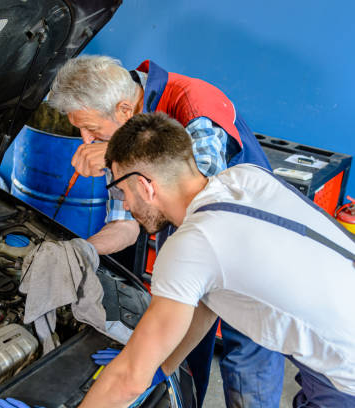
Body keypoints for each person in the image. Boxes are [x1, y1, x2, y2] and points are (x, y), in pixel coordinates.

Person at [77, 112, 355, 408]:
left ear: (146, 187)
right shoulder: (246, 176)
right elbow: (207, 302)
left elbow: (129, 380)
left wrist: (136, 371)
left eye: (122, 191)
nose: (127, 204)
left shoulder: (192, 245)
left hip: (345, 377)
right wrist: (160, 365)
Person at [46, 55, 280, 407]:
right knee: (185, 352)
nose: (85, 140)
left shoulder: (194, 106)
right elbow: (125, 225)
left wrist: (114, 152)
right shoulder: (123, 138)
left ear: (125, 109)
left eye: (92, 130)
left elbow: (198, 196)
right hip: (200, 243)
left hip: (255, 250)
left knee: (247, 366)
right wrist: (81, 251)